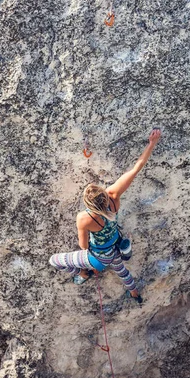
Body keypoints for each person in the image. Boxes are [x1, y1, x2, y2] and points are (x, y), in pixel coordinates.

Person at [49, 128, 161, 303]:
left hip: (99, 257)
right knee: (122, 272)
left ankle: (83, 273)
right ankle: (134, 294)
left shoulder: (84, 218)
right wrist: (152, 143)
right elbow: (136, 168)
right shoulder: (113, 196)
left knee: (54, 260)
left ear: (89, 205)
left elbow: (84, 246)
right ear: (103, 193)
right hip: (116, 246)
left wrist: (88, 260)